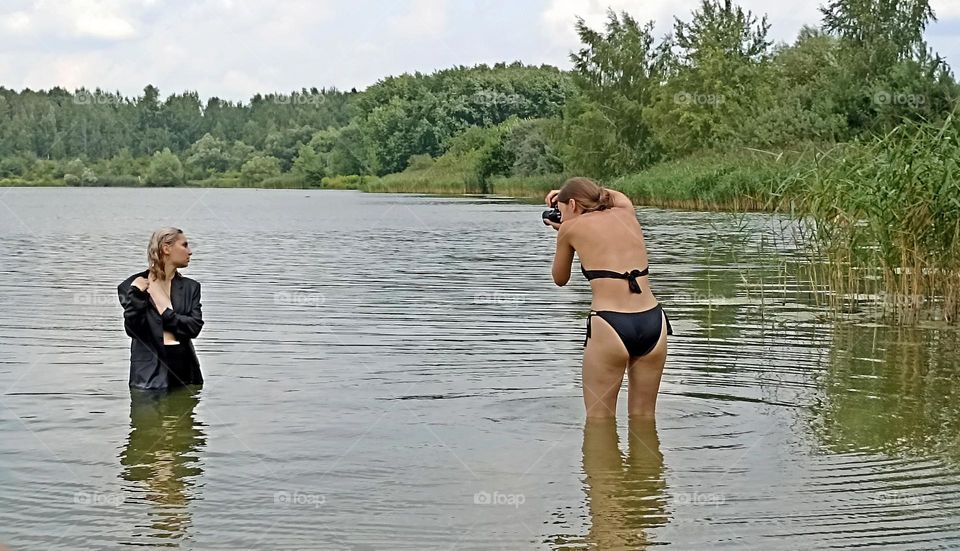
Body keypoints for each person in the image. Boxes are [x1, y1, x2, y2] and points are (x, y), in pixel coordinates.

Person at [545, 177, 672, 418]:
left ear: (572, 204)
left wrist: (562, 234)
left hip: (609, 324)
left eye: (561, 210)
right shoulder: (627, 212)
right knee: (644, 417)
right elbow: (616, 196)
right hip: (653, 322)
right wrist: (565, 193)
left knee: (598, 420)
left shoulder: (569, 229)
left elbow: (560, 279)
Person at [117, 227, 204, 390]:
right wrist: (137, 296)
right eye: (184, 245)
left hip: (186, 376)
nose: (190, 252)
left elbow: (194, 328)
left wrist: (164, 310)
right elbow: (133, 330)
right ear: (166, 248)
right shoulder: (131, 286)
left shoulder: (191, 287)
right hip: (147, 378)